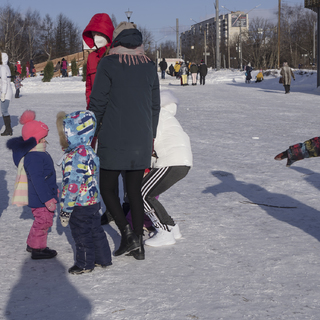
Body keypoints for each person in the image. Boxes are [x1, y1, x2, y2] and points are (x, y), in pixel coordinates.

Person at [89, 21, 160, 260]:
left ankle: (127, 234)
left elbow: (98, 103)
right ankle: (137, 245)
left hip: (113, 137)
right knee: (134, 192)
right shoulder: (149, 64)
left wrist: (90, 133)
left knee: (107, 188)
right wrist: (151, 135)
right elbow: (154, 106)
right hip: (141, 138)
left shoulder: (108, 63)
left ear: (116, 40)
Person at [56, 110, 112, 274]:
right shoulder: (89, 151)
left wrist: (66, 210)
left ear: (74, 134)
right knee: (96, 230)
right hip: (93, 201)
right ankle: (103, 258)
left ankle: (85, 263)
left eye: (66, 134)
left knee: (82, 234)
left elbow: (72, 185)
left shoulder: (74, 156)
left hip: (79, 204)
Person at [141, 90, 193, 247]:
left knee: (142, 194)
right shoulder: (170, 118)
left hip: (171, 162)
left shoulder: (158, 116)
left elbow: (150, 140)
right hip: (182, 162)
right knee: (148, 193)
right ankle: (171, 227)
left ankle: (164, 231)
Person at [6, 110, 58, 259]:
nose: (45, 141)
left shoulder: (37, 153)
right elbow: (38, 180)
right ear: (35, 140)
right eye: (43, 138)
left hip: (42, 195)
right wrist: (47, 199)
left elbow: (47, 177)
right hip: (40, 198)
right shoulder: (34, 157)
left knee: (40, 221)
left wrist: (55, 190)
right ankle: (38, 249)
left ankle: (32, 244)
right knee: (43, 221)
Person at [82, 13, 114, 108]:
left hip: (112, 110)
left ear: (107, 33)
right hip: (95, 107)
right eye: (94, 34)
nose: (96, 37)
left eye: (99, 34)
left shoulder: (115, 55)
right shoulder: (92, 57)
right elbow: (89, 87)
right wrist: (89, 105)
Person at [1, 51, 13, 136]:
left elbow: (4, 82)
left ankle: (8, 129)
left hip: (5, 92)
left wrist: (3, 93)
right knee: (4, 111)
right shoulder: (6, 66)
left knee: (4, 111)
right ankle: (8, 129)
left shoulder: (2, 67)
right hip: (7, 91)